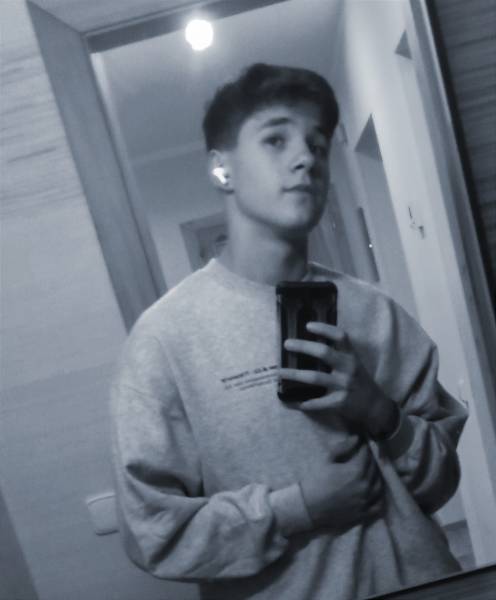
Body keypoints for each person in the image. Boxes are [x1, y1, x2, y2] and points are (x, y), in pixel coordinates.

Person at [109, 63, 468, 600]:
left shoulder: (376, 313)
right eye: (276, 139)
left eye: (317, 144)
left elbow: (441, 484)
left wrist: (379, 412)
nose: (306, 158)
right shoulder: (164, 340)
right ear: (222, 169)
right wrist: (297, 508)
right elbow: (152, 531)